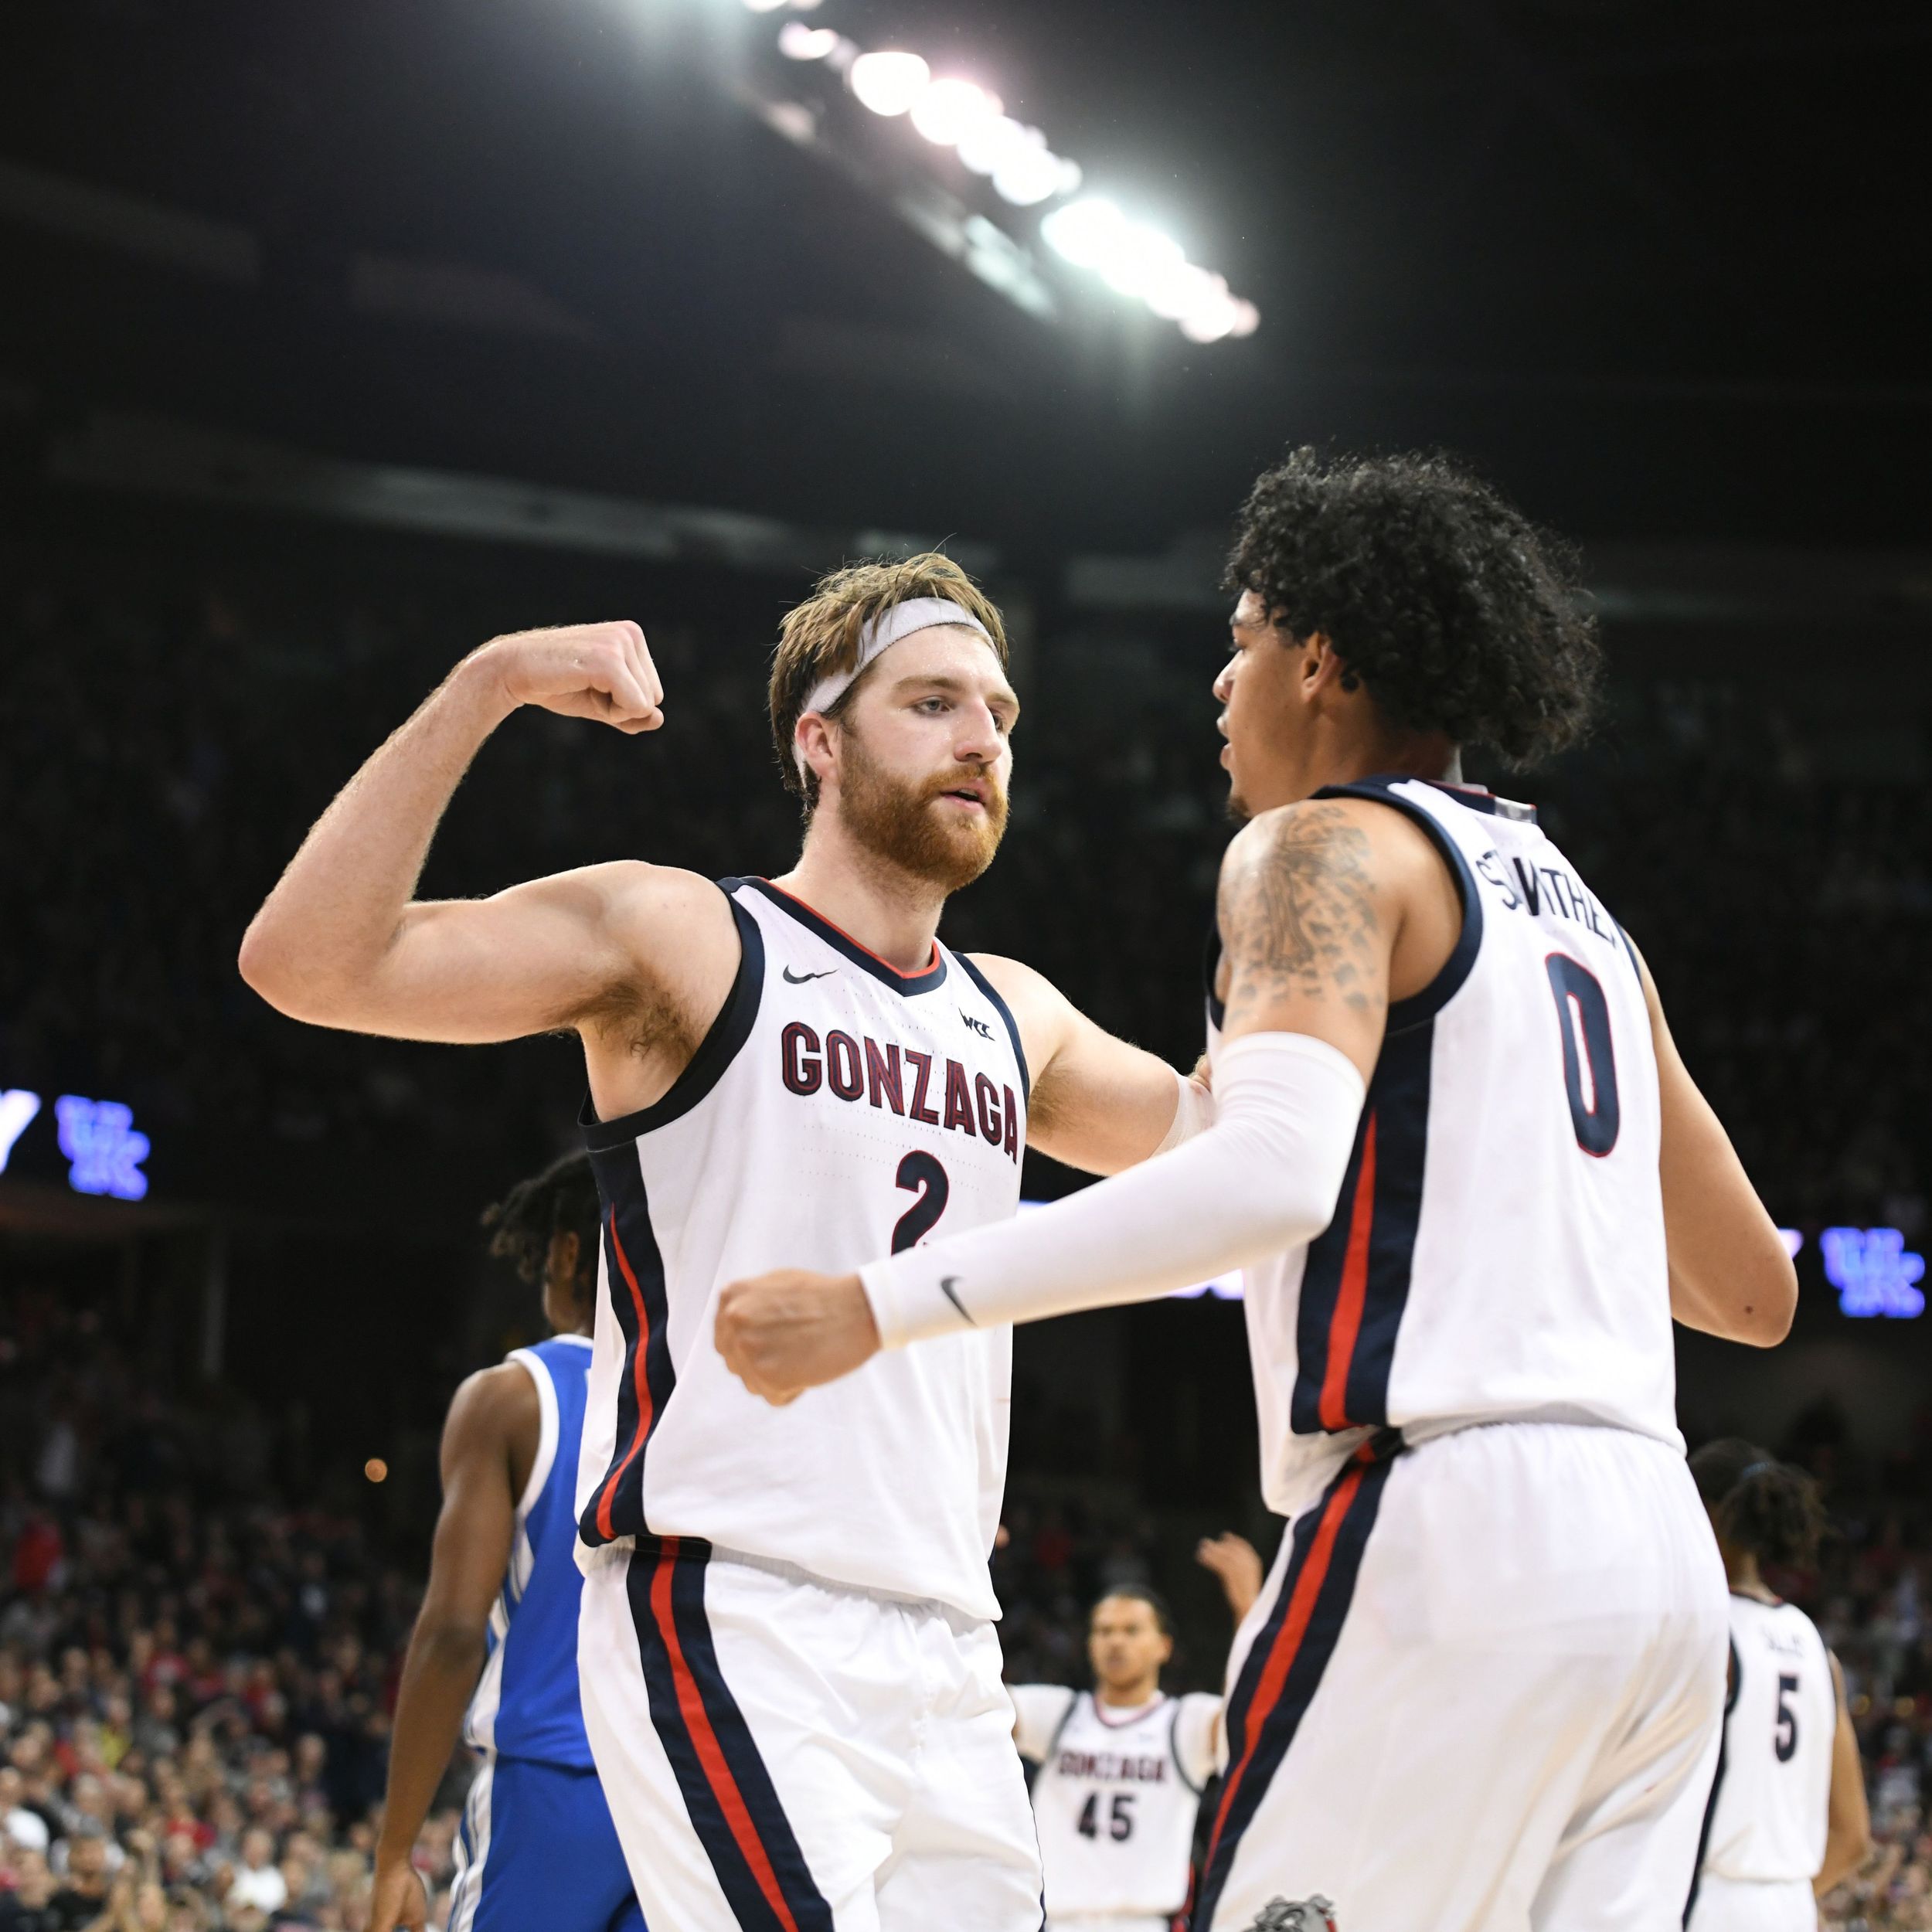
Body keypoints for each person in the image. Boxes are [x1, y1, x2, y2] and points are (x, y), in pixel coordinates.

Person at [714, 448, 1802, 1931]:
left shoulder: (1318, 846)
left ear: (1322, 660)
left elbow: (1272, 1177)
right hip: (1663, 1574)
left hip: (1450, 1535)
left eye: (1236, 644)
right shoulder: (1592, 923)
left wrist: (883, 1304)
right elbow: (1754, 1292)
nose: (1220, 687)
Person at [239, 553, 1209, 1931]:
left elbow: (1256, 1145)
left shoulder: (1016, 1015)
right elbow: (308, 960)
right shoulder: (689, 938)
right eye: (934, 701)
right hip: (737, 1610)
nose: (983, 737)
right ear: (819, 740)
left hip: (951, 1644)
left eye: (998, 713)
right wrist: (490, 683)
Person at [367, 1155, 641, 1932]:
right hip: (691, 1787)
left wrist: (395, 1854)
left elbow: (454, 1634)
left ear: (562, 1251)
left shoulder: (512, 1398)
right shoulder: (718, 1403)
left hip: (556, 1780)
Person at [1012, 1538, 1263, 1932]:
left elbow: (1255, 1716)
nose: (1116, 1640)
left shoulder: (1184, 1723)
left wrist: (1249, 1607)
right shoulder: (1058, 1714)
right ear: (1090, 1644)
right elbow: (970, 1703)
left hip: (1145, 1922)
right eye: (1104, 1630)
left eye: (1132, 1630)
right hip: (1053, 1920)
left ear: (1164, 1646)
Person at [1684, 1440, 1871, 1931]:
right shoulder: (1817, 1649)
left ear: (1708, 1512)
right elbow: (1853, 1838)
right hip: (1792, 1908)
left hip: (1706, 1902)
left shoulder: (1702, 1636)